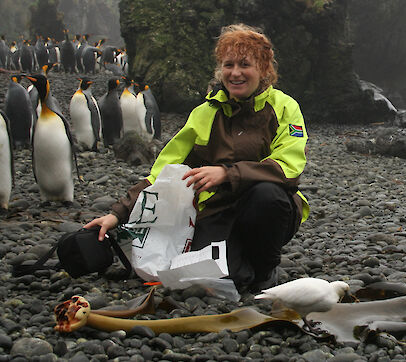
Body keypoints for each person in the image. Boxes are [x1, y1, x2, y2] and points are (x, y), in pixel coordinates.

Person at [85, 24, 309, 293]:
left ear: (263, 68)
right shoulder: (205, 112)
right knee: (225, 280)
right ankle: (242, 261)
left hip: (265, 208)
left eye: (244, 64)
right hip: (217, 210)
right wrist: (117, 214)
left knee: (267, 195)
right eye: (228, 65)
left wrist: (227, 173)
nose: (235, 73)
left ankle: (265, 267)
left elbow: (289, 166)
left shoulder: (284, 107)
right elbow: (164, 172)